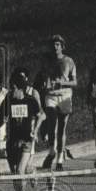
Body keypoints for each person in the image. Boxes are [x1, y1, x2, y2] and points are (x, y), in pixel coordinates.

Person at [0, 70, 43, 191]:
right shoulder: (8, 100)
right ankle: (32, 171)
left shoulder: (30, 100)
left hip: (26, 141)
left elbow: (41, 115)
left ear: (19, 88)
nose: (11, 90)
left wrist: (35, 131)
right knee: (15, 174)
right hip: (12, 142)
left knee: (19, 171)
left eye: (13, 88)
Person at [39, 35, 76, 172]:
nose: (55, 47)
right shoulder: (46, 61)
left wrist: (62, 83)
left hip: (65, 96)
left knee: (61, 129)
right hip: (51, 96)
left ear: (62, 46)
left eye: (58, 45)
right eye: (53, 45)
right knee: (51, 122)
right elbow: (43, 77)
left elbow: (75, 82)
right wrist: (44, 84)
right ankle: (51, 152)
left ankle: (60, 158)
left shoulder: (69, 61)